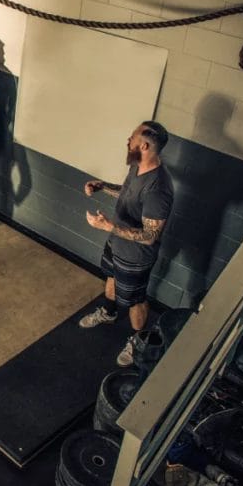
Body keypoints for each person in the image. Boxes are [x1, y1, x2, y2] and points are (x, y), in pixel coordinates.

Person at [79, 122, 175, 367]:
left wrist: (109, 227)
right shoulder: (138, 166)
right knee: (110, 277)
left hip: (136, 256)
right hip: (116, 244)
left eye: (132, 137)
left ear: (143, 145)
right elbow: (127, 192)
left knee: (136, 300)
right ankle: (109, 312)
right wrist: (103, 186)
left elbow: (151, 235)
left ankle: (137, 342)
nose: (128, 139)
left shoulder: (159, 188)